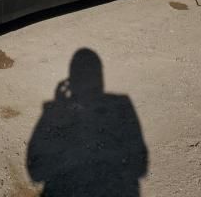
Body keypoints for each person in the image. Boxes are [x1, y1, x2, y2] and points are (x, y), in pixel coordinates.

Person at [27, 49, 148, 197]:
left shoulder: (121, 103)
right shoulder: (121, 103)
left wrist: (58, 107)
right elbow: (140, 166)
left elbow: (36, 172)